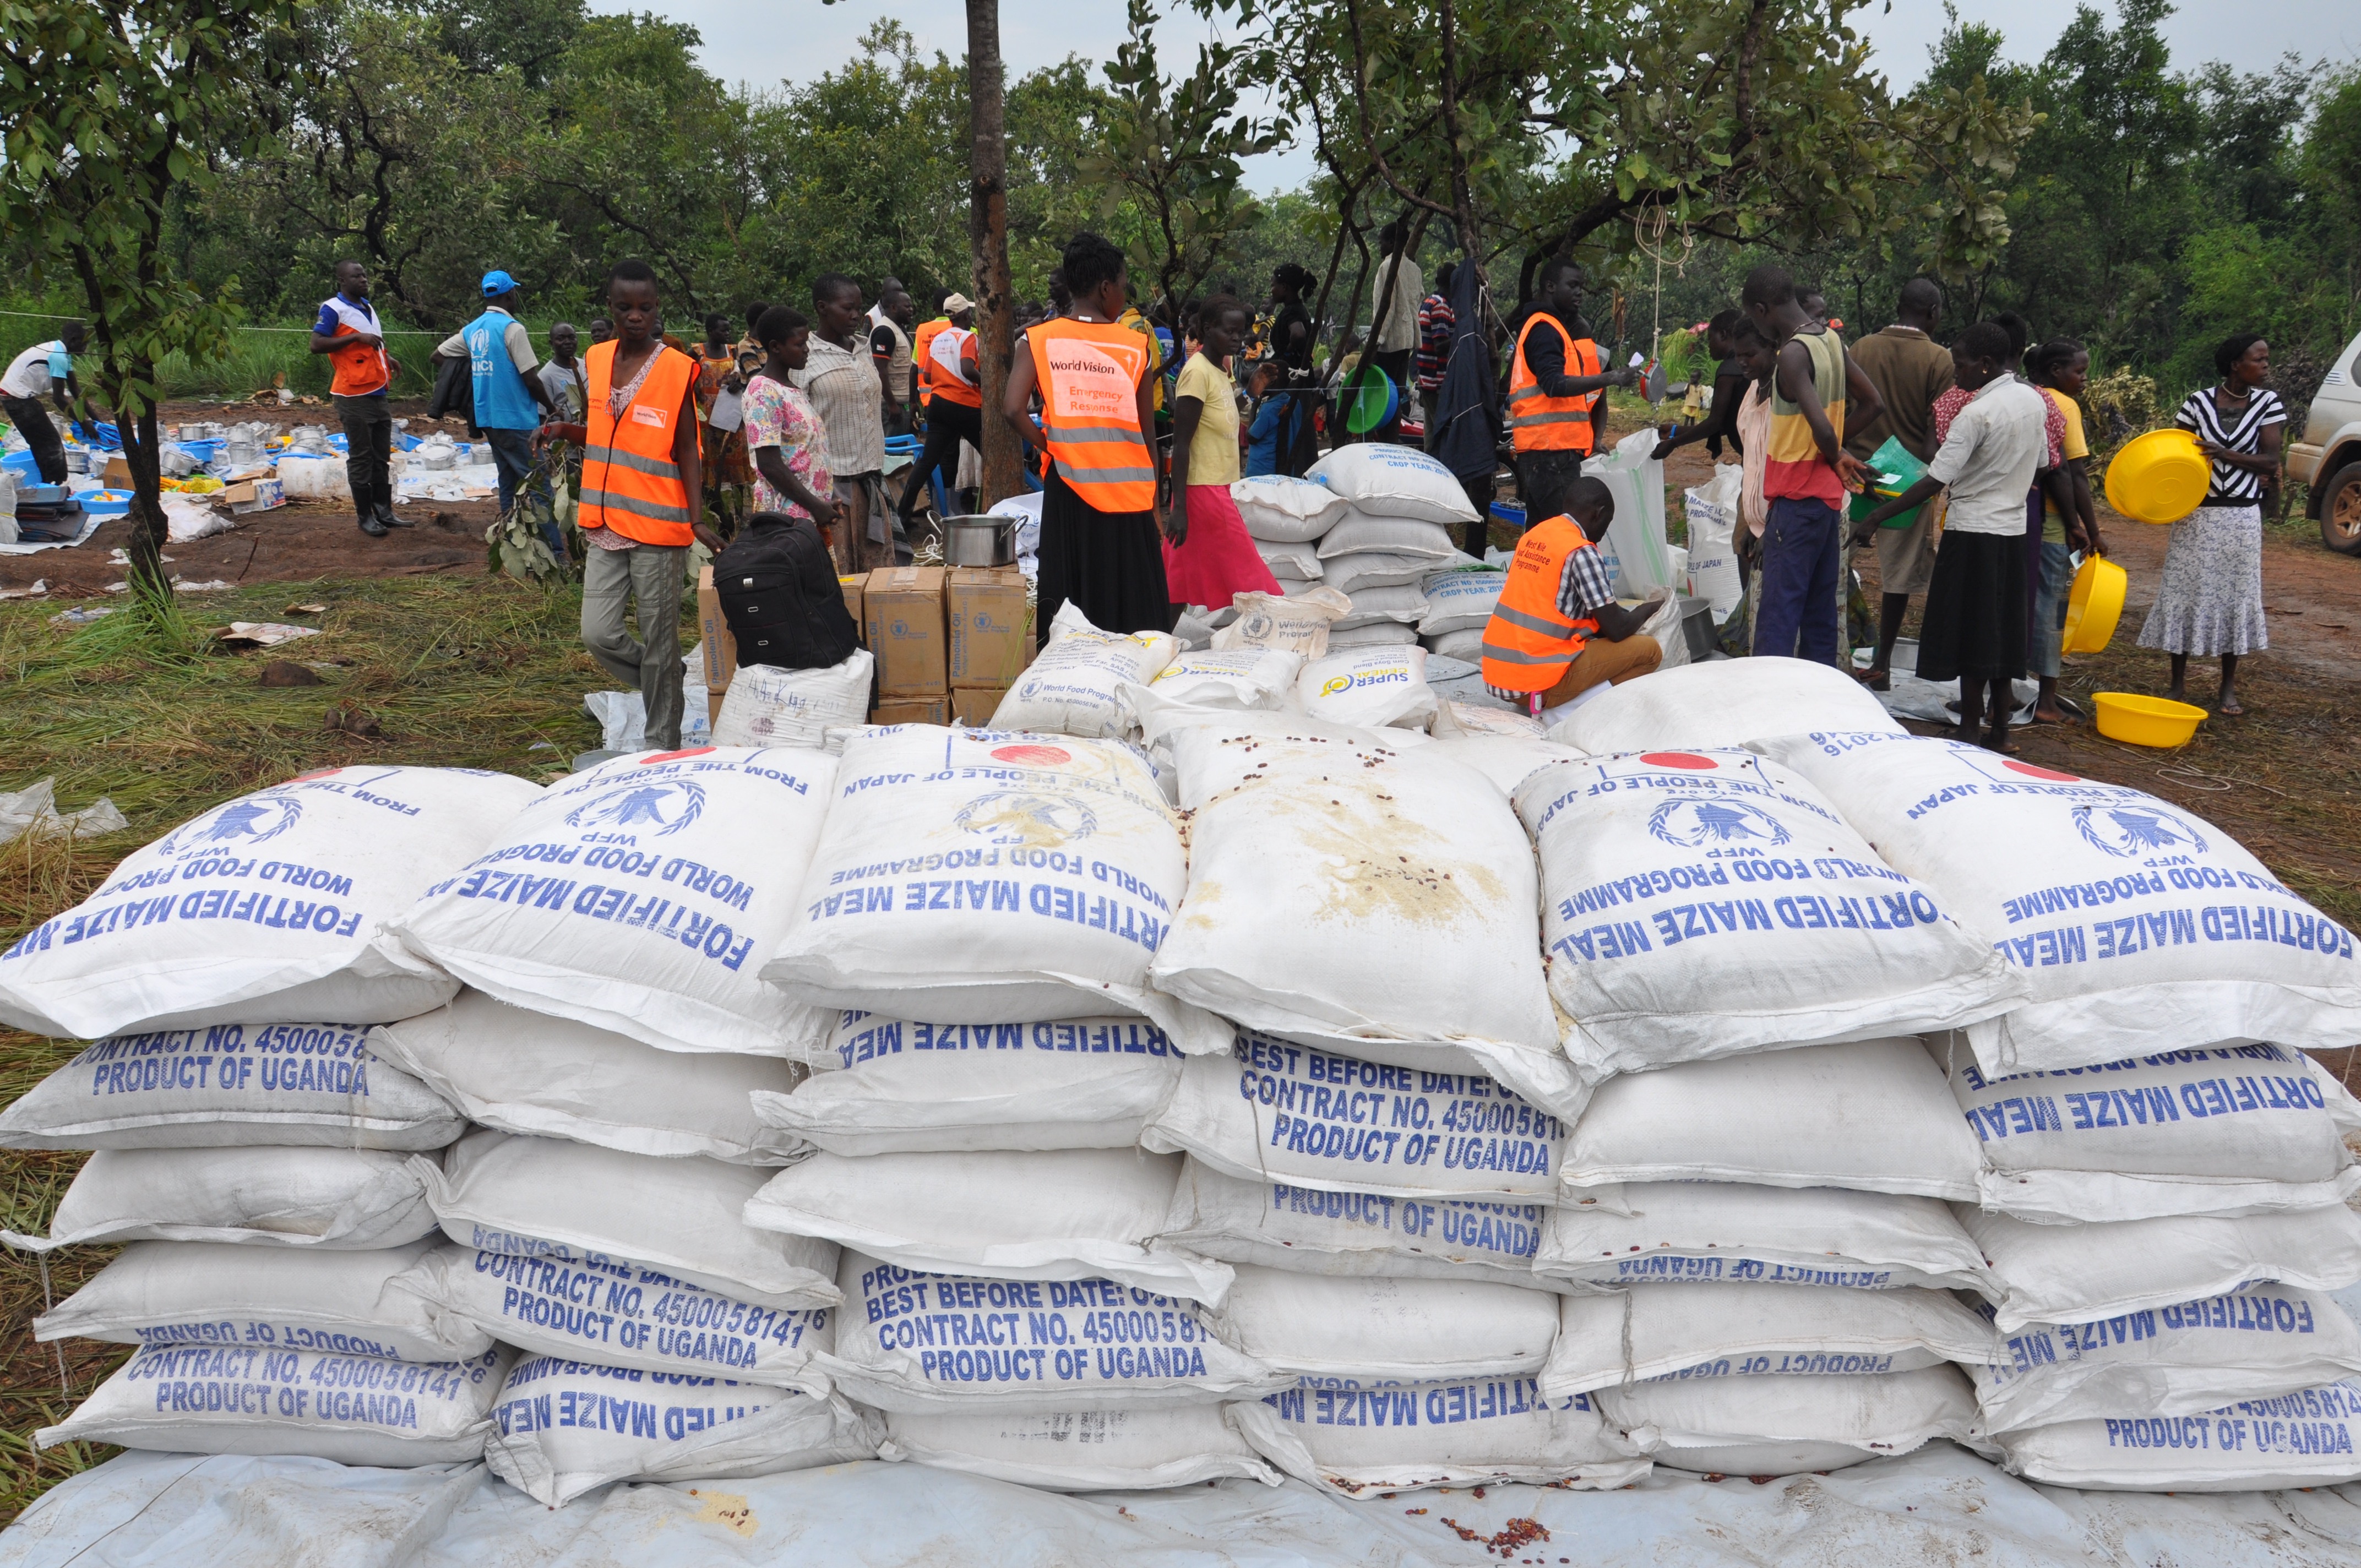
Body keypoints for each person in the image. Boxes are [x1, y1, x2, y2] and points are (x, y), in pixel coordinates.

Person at [536, 258, 718, 753]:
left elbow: (687, 447)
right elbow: (605, 430)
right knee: (598, 633)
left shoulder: (679, 368)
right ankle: (667, 679)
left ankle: (663, 743)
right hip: (603, 520)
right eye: (624, 308)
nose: (635, 316)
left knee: (659, 637)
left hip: (658, 525)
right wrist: (563, 431)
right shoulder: (595, 359)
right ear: (610, 308)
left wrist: (698, 516)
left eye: (645, 307)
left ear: (658, 307)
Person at [1858, 320, 2049, 752]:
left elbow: (1934, 479)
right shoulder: (2032, 401)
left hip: (1973, 531)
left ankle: (1968, 728)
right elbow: (2041, 462)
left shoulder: (1975, 414)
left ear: (1984, 364)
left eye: (1960, 365)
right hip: (2012, 531)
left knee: (1971, 631)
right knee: (2001, 631)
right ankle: (2000, 729)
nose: (1956, 373)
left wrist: (1877, 517)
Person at [999, 230, 1169, 633]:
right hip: (1129, 492)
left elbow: (1012, 410)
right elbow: (1147, 433)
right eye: (1124, 288)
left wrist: (1053, 446)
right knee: (1133, 602)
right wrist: (1156, 509)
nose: (1124, 298)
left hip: (1071, 485)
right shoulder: (1135, 346)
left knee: (1072, 598)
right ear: (1106, 287)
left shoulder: (1038, 340)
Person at [1742, 262, 1884, 666]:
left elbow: (1822, 429)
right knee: (1820, 613)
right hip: (1827, 502)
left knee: (1778, 617)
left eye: (1755, 318)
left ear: (1763, 309)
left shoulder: (1792, 353)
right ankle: (1818, 709)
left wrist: (1833, 450)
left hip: (1795, 500)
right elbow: (1874, 403)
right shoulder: (1831, 341)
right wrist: (1833, 451)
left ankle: (1772, 713)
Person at [2136, 333, 2282, 716]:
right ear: (2236, 364)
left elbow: (2270, 461)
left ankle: (2227, 687)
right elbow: (2175, 455)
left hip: (2240, 516)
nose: (2266, 366)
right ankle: (2177, 685)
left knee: (2236, 595)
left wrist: (2224, 454)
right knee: (2185, 591)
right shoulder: (2197, 403)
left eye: (2266, 359)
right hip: (2196, 514)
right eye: (2259, 359)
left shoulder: (2268, 403)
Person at [1840, 279, 1955, 688]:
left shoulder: (1860, 348)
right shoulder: (1940, 359)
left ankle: (1832, 655)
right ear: (1933, 312)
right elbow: (1934, 431)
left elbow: (1844, 410)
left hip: (1853, 474)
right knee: (1899, 578)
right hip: (1909, 484)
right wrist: (1913, 476)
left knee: (1835, 567)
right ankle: (1883, 664)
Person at [1479, 475, 1667, 712]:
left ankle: (1553, 701)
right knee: (1649, 651)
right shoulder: (1581, 551)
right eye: (1606, 524)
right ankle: (1565, 713)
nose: (1601, 535)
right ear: (1597, 514)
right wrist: (1648, 609)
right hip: (1534, 680)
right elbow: (1616, 630)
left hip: (1500, 673)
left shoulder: (1536, 536)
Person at [1165, 296, 1279, 615]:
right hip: (1204, 492)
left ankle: (1154, 639)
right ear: (1207, 328)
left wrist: (1250, 391)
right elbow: (1182, 443)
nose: (1237, 339)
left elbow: (1223, 412)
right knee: (1249, 573)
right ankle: (1276, 625)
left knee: (1179, 580)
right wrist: (1179, 507)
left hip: (1218, 486)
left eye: (1241, 332)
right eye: (1229, 331)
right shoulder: (1197, 372)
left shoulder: (1220, 370)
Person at [1509, 258, 1637, 524]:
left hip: (1546, 452)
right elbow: (1555, 384)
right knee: (1564, 531)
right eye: (1573, 285)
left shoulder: (1551, 328)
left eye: (1582, 286)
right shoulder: (1544, 329)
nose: (1579, 292)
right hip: (1549, 454)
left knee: (1542, 534)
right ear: (1551, 287)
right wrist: (1611, 377)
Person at [2027, 339, 2106, 721]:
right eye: (2080, 371)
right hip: (2055, 521)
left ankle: (2007, 688)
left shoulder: (2020, 395)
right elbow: (2073, 472)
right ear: (2057, 371)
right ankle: (2046, 700)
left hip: (2019, 514)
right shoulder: (2064, 405)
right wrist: (2089, 529)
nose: (2084, 380)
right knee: (2050, 606)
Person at [439, 269, 556, 523]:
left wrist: (476, 372)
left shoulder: (472, 330)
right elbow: (531, 379)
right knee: (539, 484)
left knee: (508, 480)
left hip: (488, 417)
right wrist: (551, 407)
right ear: (511, 294)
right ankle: (555, 553)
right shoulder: (513, 329)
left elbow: (439, 355)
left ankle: (510, 537)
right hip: (517, 419)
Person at [796, 273, 889, 573]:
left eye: (858, 308)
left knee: (876, 575)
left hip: (871, 481)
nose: (855, 315)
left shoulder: (863, 348)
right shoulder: (804, 356)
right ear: (823, 308)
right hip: (831, 489)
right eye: (846, 308)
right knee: (839, 575)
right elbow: (796, 427)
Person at [307, 262, 404, 538]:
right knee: (362, 457)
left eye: (364, 275)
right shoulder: (333, 309)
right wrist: (355, 338)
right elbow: (316, 344)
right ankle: (365, 516)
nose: (363, 280)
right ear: (341, 280)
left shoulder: (367, 307)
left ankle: (384, 510)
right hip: (353, 395)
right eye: (356, 276)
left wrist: (387, 358)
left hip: (377, 392)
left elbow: (370, 346)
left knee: (381, 457)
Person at [743, 305, 846, 550]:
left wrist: (824, 499)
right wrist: (815, 504)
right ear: (776, 347)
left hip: (808, 513)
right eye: (800, 344)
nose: (807, 350)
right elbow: (770, 464)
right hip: (785, 518)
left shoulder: (791, 389)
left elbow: (803, 453)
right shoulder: (763, 391)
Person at [896, 292, 980, 537]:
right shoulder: (969, 337)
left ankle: (902, 516)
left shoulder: (938, 340)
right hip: (965, 406)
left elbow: (929, 376)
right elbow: (967, 368)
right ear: (966, 315)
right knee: (991, 452)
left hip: (938, 406)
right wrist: (987, 384)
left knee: (927, 462)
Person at [1, 320, 97, 487]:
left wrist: (97, 422)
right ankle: (55, 487)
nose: (85, 348)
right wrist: (82, 423)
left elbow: (77, 393)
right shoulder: (57, 356)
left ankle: (49, 486)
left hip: (21, 397)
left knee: (44, 443)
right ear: (73, 340)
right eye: (84, 343)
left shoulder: (63, 354)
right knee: (51, 445)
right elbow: (59, 399)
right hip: (16, 397)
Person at [1651, 309, 1750, 464]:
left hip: (1754, 454)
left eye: (1711, 339)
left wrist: (1673, 443)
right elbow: (1724, 425)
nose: (1709, 345)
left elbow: (1715, 423)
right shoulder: (1744, 368)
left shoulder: (1729, 371)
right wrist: (1674, 431)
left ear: (1723, 335)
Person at [1367, 220, 1424, 430]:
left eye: (1382, 242)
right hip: (1408, 339)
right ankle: (1394, 435)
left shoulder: (1387, 267)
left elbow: (1386, 308)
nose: (1380, 247)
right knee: (1398, 393)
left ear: (1392, 242)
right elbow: (1418, 298)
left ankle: (1383, 434)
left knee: (1382, 393)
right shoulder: (1415, 269)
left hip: (1390, 342)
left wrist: (1376, 342)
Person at [869, 286, 916, 436]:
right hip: (891, 405)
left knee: (901, 452)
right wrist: (892, 405)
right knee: (892, 455)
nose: (911, 310)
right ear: (894, 308)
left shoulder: (899, 330)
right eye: (907, 306)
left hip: (902, 402)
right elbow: (879, 369)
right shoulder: (885, 331)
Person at [1415, 262, 1456, 424]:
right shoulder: (1441, 306)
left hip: (1426, 378)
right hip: (1437, 381)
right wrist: (1464, 337)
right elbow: (1439, 346)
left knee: (1431, 431)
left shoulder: (1429, 302)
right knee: (1443, 429)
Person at [1269, 263, 1315, 372]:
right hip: (1301, 371)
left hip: (1291, 373)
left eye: (1273, 286)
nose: (1271, 290)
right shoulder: (1300, 309)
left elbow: (1299, 334)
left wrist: (1286, 352)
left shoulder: (1291, 311)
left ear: (1284, 287)